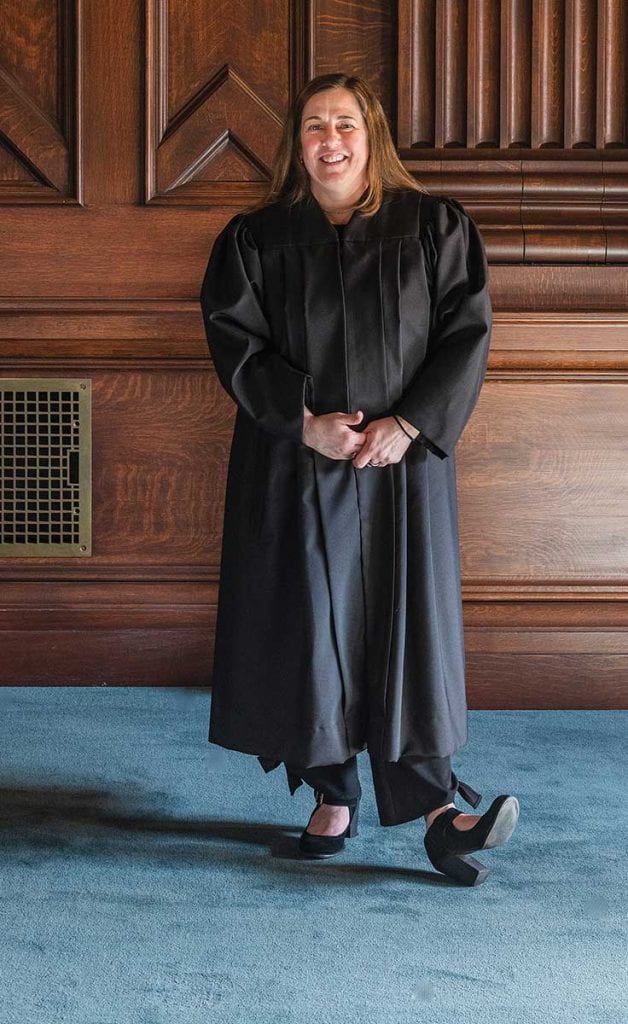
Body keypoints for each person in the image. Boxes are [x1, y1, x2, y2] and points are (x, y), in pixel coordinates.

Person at [199, 73, 519, 886]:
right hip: (299, 464)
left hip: (402, 469)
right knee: (313, 624)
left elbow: (465, 335)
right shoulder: (258, 238)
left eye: (345, 124)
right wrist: (304, 421)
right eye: (313, 126)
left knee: (410, 628)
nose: (329, 140)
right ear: (294, 143)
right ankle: (332, 794)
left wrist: (408, 424)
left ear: (371, 136)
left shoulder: (433, 228)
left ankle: (442, 814)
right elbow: (237, 343)